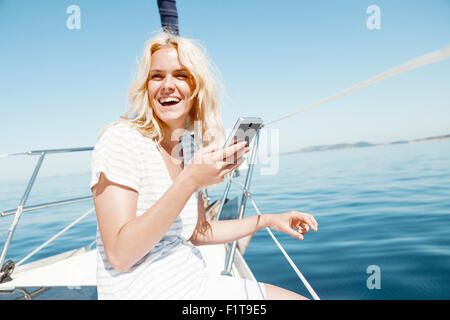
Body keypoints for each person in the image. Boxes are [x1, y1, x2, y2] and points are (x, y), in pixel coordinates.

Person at [90, 31, 318, 300]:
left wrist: (267, 220)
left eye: (181, 75)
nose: (167, 85)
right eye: (157, 76)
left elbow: (199, 231)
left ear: (196, 87)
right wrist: (190, 181)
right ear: (146, 87)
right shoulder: (121, 139)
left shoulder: (187, 147)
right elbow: (120, 255)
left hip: (193, 283)